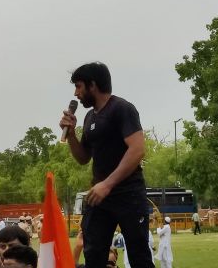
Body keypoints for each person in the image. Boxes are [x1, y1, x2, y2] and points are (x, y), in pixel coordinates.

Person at [60, 62, 154, 268]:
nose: (76, 93)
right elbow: (83, 157)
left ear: (92, 85)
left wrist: (108, 184)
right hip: (100, 196)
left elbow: (137, 150)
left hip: (128, 193)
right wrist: (72, 134)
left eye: (78, 86)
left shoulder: (122, 108)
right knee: (93, 254)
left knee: (139, 256)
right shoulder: (89, 117)